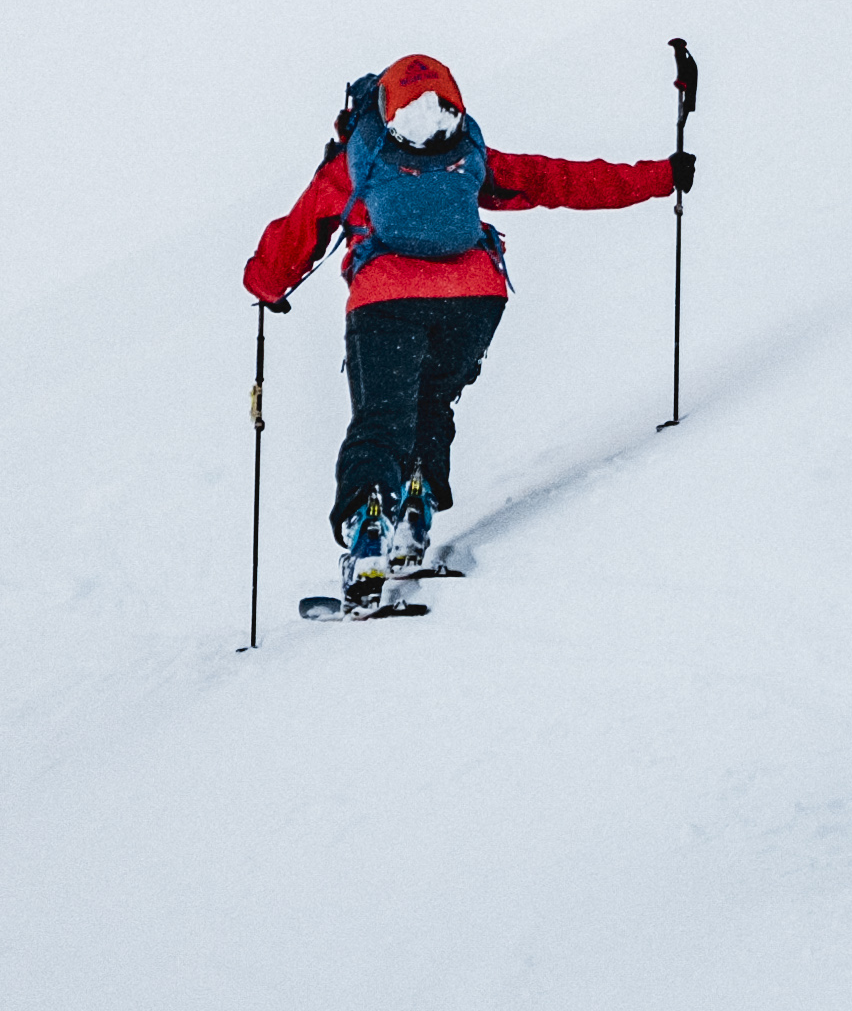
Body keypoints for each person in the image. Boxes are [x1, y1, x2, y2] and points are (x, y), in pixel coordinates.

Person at [244, 51, 688, 600]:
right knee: (431, 403)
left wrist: (265, 286)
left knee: (381, 417)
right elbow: (557, 180)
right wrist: (662, 176)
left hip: (386, 302)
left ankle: (367, 541)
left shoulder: (355, 162)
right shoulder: (466, 154)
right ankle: (415, 506)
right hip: (473, 298)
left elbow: (295, 237)